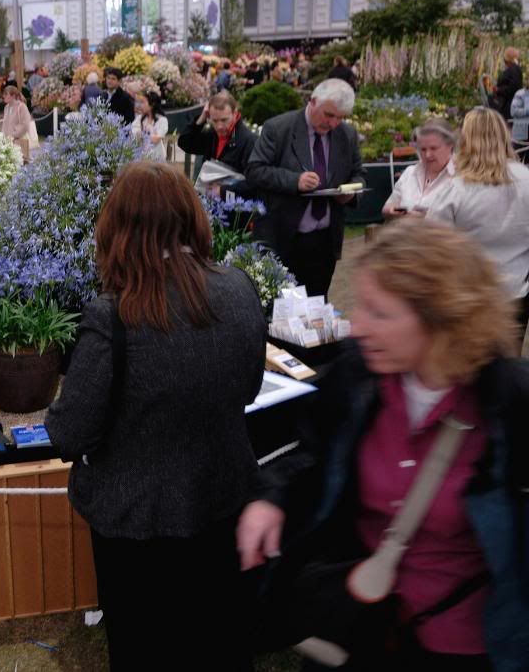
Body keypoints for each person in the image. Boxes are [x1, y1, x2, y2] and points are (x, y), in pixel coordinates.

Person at [238, 219, 529, 672]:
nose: (357, 328)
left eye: (380, 313)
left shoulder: (507, 401)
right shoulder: (358, 376)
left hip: (465, 643)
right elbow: (312, 452)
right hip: (365, 625)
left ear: (441, 317)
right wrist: (271, 499)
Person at [46, 162, 266, 672]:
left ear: (118, 227)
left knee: (146, 650)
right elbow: (249, 388)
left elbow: (68, 432)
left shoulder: (115, 313)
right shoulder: (239, 289)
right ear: (192, 217)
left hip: (137, 526)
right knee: (221, 643)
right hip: (222, 502)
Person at [246, 78, 366, 297]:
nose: (333, 123)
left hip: (324, 243)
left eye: (340, 117)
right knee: (279, 308)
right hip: (282, 238)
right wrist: (295, 181)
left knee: (317, 305)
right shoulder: (279, 128)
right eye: (328, 115)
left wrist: (350, 193)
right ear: (312, 101)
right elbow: (255, 170)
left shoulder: (346, 134)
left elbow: (359, 173)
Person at [429, 106, 529, 340]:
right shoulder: (526, 179)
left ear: (465, 140)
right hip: (516, 291)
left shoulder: (455, 189)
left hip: (470, 295)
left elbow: (432, 245)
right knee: (508, 355)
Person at [382, 118, 456, 220]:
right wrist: (392, 211)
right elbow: (387, 208)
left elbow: (467, 224)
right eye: (423, 149)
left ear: (450, 146)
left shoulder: (460, 178)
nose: (428, 155)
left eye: (433, 148)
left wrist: (427, 219)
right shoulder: (409, 173)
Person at [178, 91, 258, 180]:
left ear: (235, 114)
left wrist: (224, 187)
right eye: (215, 121)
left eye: (224, 120)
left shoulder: (249, 141)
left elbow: (254, 180)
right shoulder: (211, 136)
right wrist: (201, 118)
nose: (219, 126)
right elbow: (185, 143)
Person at [131, 91, 169, 161]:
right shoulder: (140, 119)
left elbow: (156, 139)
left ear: (152, 105)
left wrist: (142, 136)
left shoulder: (162, 120)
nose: (140, 105)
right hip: (141, 158)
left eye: (143, 102)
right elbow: (133, 133)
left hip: (157, 158)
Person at [0, 85, 34, 161]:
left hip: (19, 141)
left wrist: (14, 135)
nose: (3, 96)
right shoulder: (6, 107)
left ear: (13, 96)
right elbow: (5, 124)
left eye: (6, 94)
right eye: (4, 94)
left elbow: (25, 125)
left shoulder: (22, 107)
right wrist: (3, 137)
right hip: (8, 142)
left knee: (21, 162)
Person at [493, 47, 522, 120]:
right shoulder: (513, 68)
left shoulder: (514, 70)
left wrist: (498, 90)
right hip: (507, 102)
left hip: (508, 104)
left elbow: (513, 87)